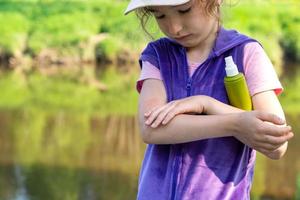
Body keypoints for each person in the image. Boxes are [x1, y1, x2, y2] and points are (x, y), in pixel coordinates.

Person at [124, 0, 294, 199]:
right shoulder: (158, 56)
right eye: (159, 15)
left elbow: (276, 142)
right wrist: (235, 124)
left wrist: (207, 104)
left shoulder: (247, 54)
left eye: (184, 10)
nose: (174, 28)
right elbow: (151, 128)